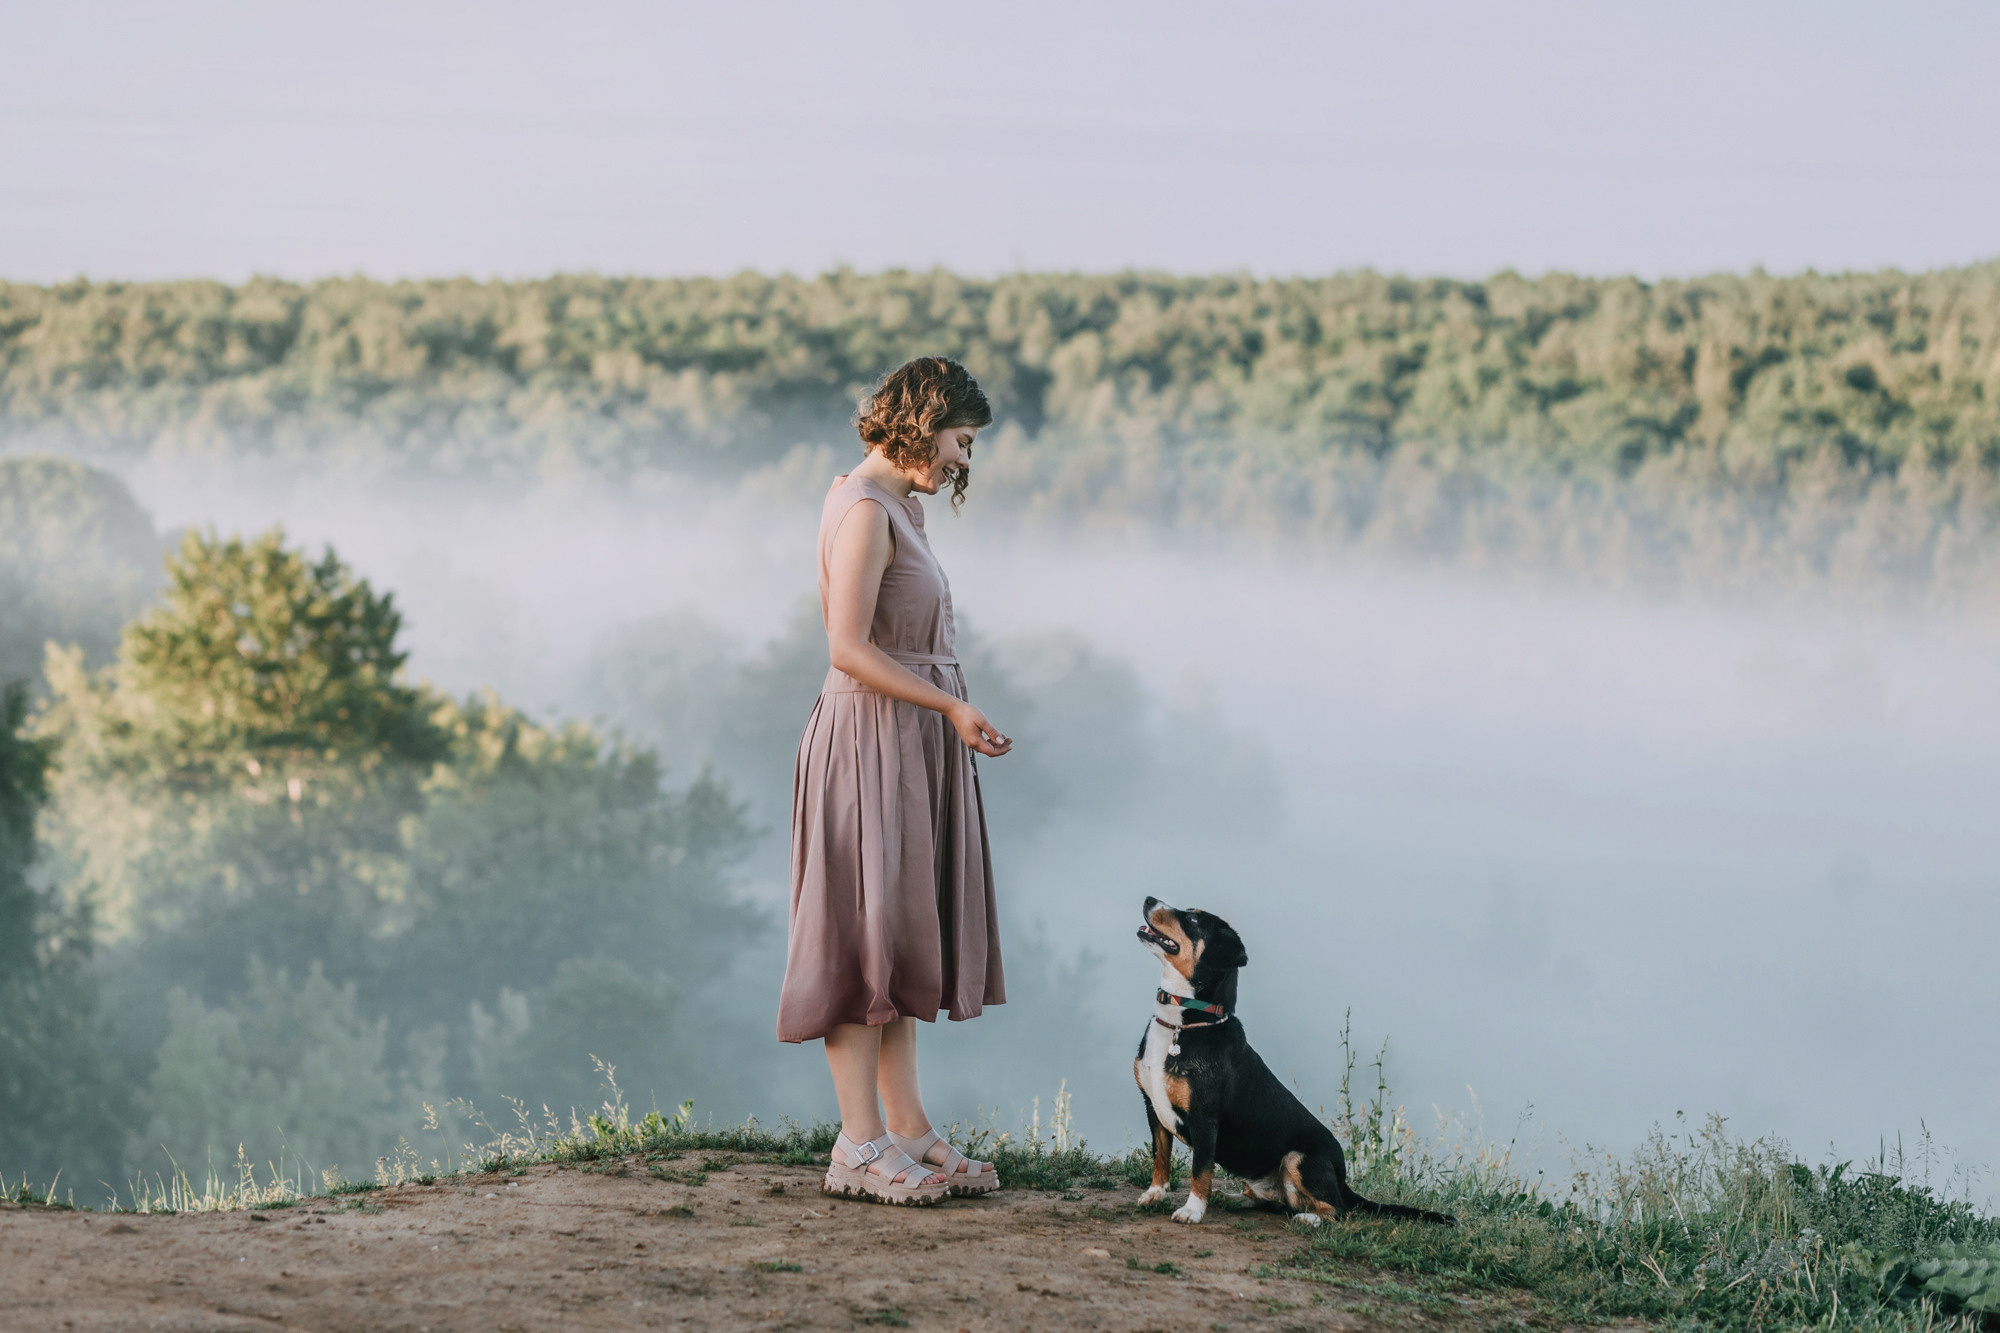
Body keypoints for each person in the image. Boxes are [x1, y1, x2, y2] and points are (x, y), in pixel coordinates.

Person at [776, 357, 1011, 1205]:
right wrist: (947, 708)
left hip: (907, 743)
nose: (962, 459)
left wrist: (946, 712)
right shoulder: (865, 513)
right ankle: (858, 1144)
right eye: (960, 439)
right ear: (924, 422)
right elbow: (847, 647)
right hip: (869, 742)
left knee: (901, 939)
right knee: (859, 939)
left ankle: (908, 1129)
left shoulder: (902, 508)